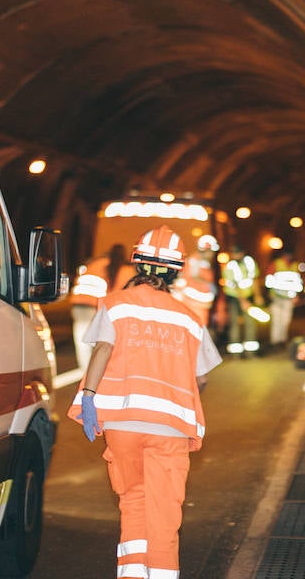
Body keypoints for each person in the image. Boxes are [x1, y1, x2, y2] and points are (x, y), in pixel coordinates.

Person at [67, 225, 222, 579]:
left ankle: (132, 574)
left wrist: (88, 397)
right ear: (176, 270)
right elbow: (202, 378)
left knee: (133, 503)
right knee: (164, 512)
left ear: (138, 264)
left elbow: (103, 348)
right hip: (169, 429)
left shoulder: (116, 304)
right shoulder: (189, 318)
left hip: (122, 426)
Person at [70, 243, 136, 369]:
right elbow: (120, 295)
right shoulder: (126, 270)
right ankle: (100, 371)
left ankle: (85, 372)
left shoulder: (95, 263)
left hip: (79, 305)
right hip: (99, 308)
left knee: (83, 342)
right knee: (103, 343)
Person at [221, 244, 264, 356]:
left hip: (248, 295)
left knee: (250, 322)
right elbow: (234, 285)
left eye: (237, 253)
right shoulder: (229, 266)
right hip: (234, 297)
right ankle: (236, 351)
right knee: (234, 323)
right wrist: (243, 301)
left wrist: (257, 296)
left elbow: (254, 279)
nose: (235, 255)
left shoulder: (249, 262)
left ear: (242, 253)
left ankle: (251, 350)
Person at [173, 233, 219, 327]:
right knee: (196, 327)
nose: (213, 254)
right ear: (206, 250)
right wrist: (209, 284)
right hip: (194, 302)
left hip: (200, 304)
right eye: (211, 251)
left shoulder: (204, 262)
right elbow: (194, 276)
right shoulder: (195, 260)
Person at [264, 250, 302, 350]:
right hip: (276, 297)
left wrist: (296, 295)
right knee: (277, 320)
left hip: (288, 298)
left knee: (286, 320)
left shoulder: (294, 265)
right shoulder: (276, 264)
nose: (288, 257)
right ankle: (275, 341)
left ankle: (283, 340)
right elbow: (268, 279)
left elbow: (297, 282)